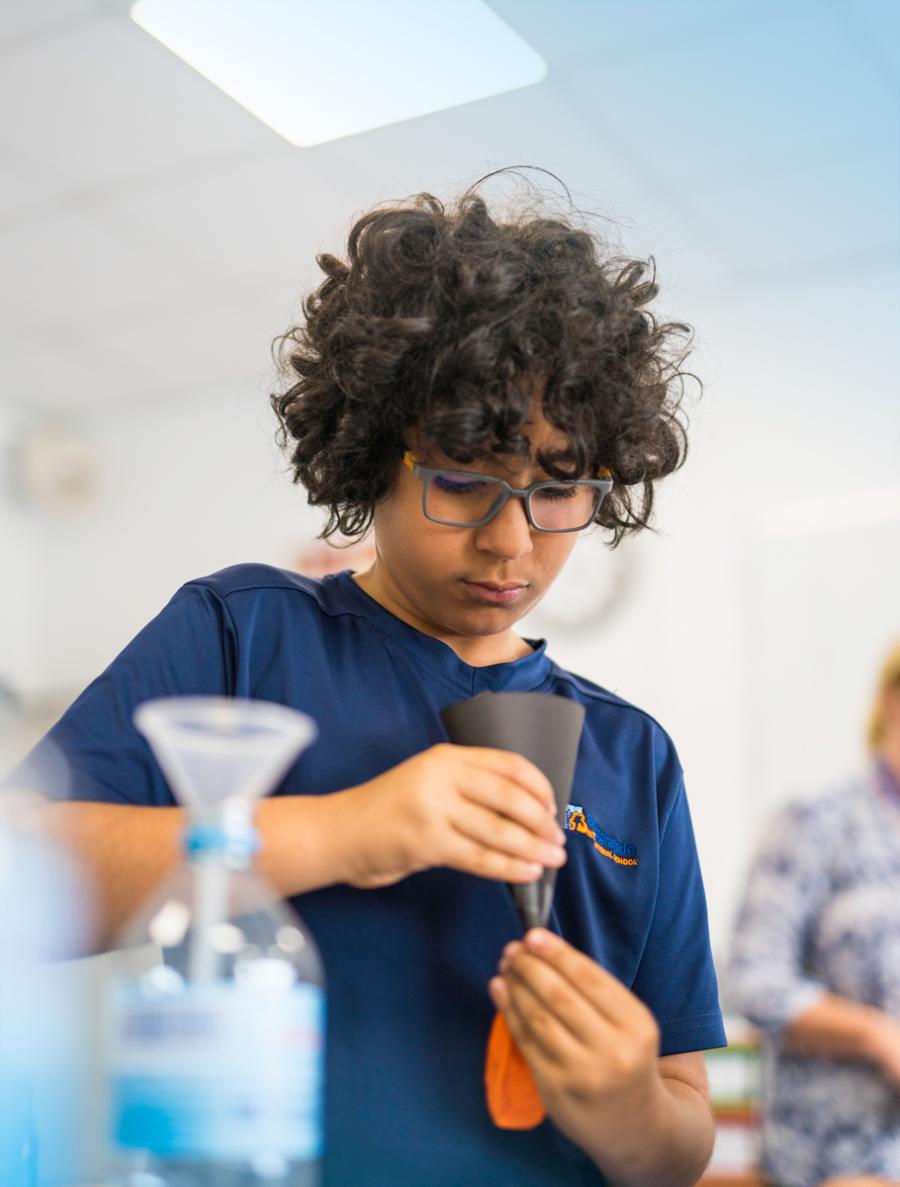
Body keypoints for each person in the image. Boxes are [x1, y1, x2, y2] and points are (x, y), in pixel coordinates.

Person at [7, 173, 725, 1187]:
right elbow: (25, 881)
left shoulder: (632, 753)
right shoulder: (241, 635)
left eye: (559, 489)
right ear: (367, 457)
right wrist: (348, 829)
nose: (511, 541)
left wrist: (631, 1108)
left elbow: (679, 1133)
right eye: (464, 481)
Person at [726, 641, 900, 1187]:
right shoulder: (815, 822)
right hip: (833, 1158)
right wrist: (877, 1036)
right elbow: (752, 979)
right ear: (892, 703)